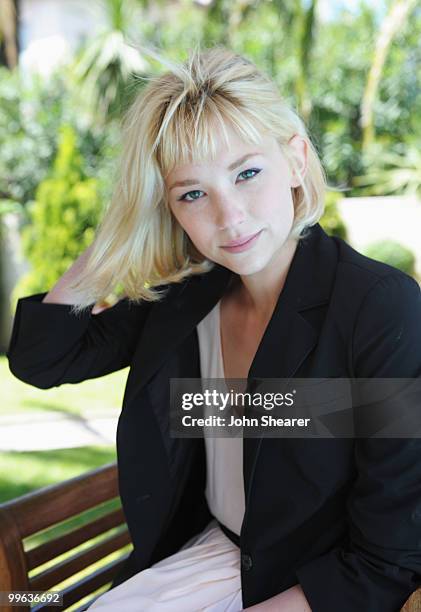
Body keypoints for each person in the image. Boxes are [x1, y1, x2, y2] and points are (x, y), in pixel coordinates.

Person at [6, 45, 421, 612]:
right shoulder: (190, 296)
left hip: (304, 588)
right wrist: (122, 224)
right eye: (192, 194)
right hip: (202, 559)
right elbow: (43, 359)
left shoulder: (379, 309)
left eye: (247, 173)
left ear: (296, 160)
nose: (229, 218)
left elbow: (386, 561)